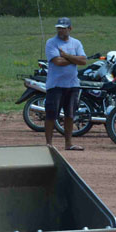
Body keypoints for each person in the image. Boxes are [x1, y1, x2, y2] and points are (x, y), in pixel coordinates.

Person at [44, 16, 87, 150]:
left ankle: (68, 143)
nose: (60, 31)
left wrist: (67, 56)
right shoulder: (51, 43)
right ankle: (49, 144)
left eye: (63, 28)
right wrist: (74, 59)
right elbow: (58, 62)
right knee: (51, 115)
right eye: (59, 28)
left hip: (72, 84)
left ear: (70, 28)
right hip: (55, 85)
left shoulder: (76, 43)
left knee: (70, 115)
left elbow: (83, 61)